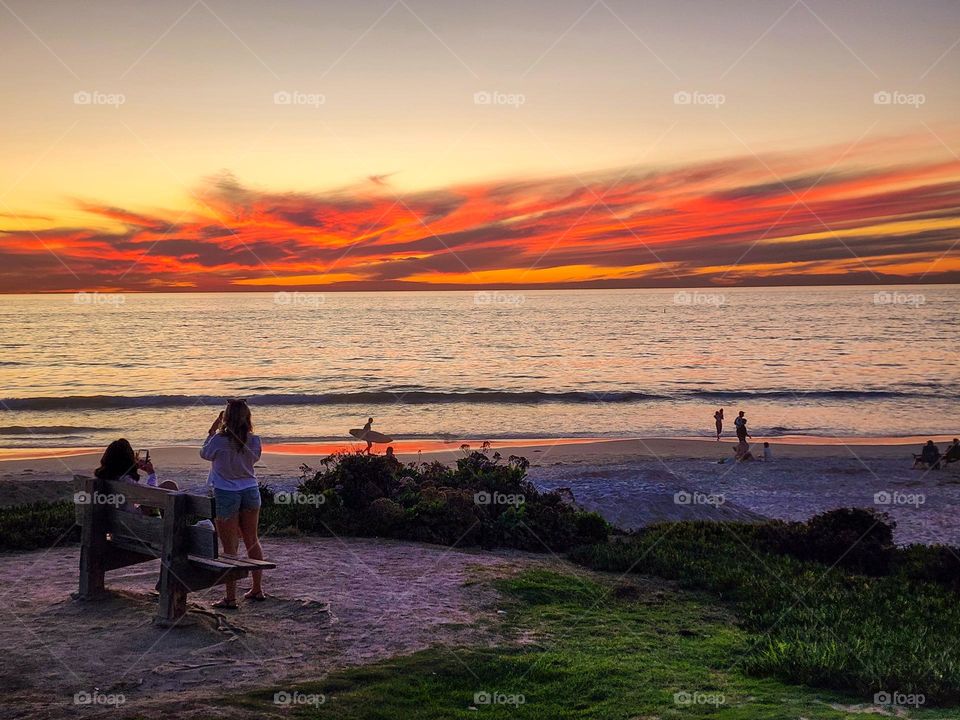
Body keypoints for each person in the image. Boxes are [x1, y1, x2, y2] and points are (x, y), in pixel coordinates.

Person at [201, 399, 265, 608]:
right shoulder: (254, 440)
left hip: (226, 492)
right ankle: (257, 588)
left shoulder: (218, 440)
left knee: (230, 547)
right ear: (248, 418)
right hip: (250, 490)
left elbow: (204, 454)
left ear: (225, 417)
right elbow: (252, 460)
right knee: (252, 540)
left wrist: (212, 430)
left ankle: (230, 597)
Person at [94, 439, 158, 512]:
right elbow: (152, 496)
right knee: (168, 485)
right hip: (130, 520)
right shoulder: (126, 481)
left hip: (108, 517)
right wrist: (151, 473)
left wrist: (132, 467)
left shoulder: (101, 476)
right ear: (129, 459)